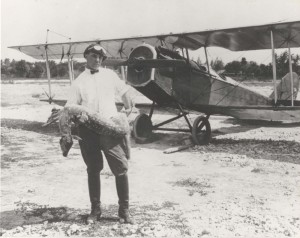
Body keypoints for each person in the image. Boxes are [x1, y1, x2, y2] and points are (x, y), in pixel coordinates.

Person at [66, 44, 133, 224]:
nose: (97, 60)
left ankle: (124, 211)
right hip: (88, 131)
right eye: (93, 56)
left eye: (100, 57)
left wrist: (128, 109)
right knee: (93, 170)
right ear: (86, 56)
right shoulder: (79, 81)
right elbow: (71, 105)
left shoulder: (110, 75)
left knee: (120, 169)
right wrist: (78, 116)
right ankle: (95, 210)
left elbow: (124, 90)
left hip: (110, 128)